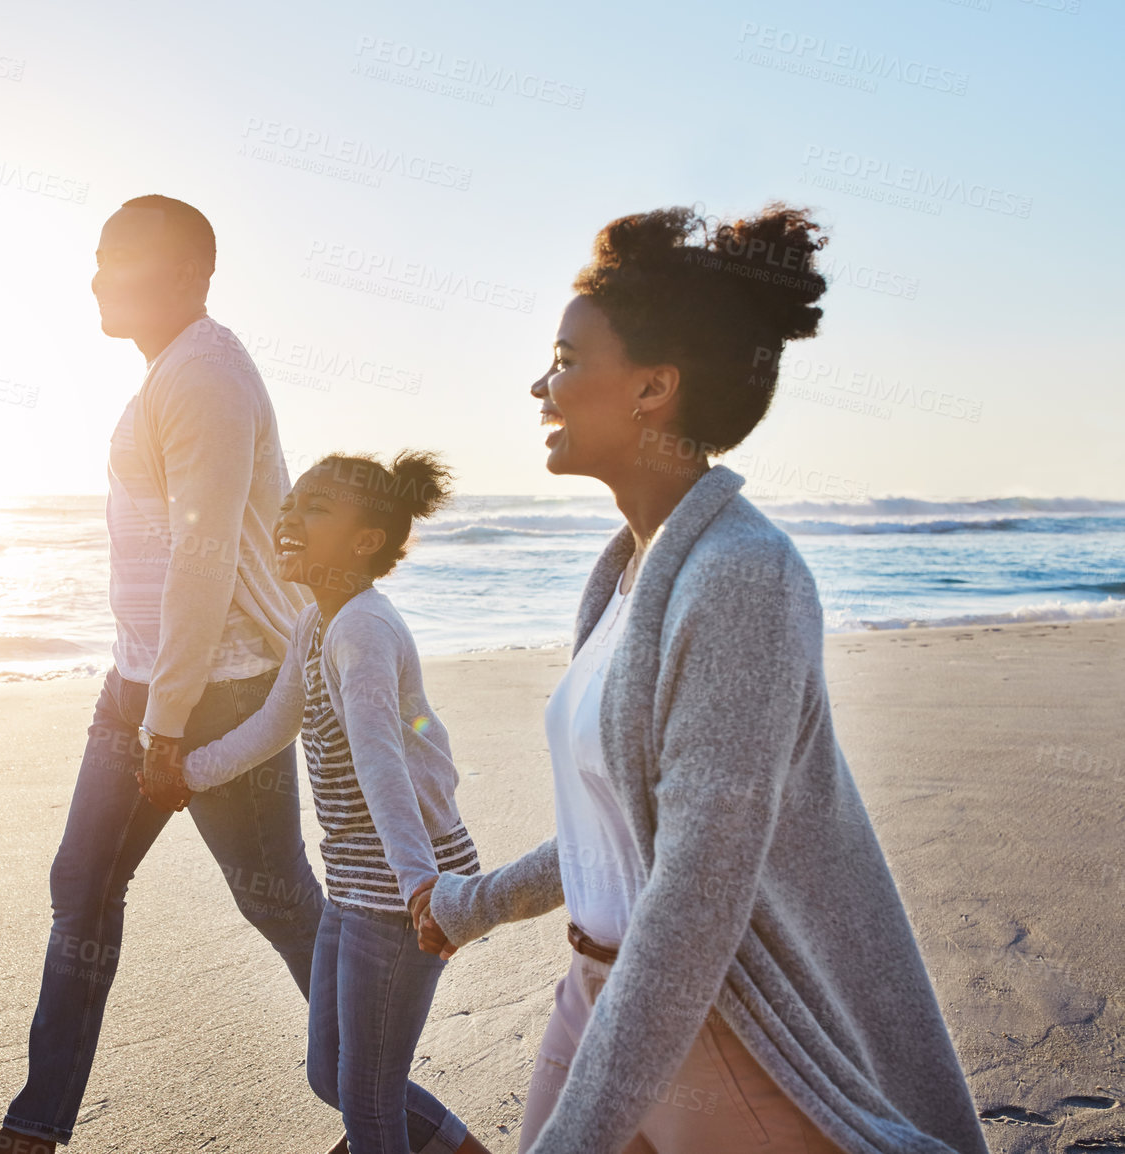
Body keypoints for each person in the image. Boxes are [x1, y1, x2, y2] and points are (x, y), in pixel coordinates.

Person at [413, 205, 989, 1154]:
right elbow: (623, 827)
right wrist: (475, 905)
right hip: (598, 994)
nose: (538, 386)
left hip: (714, 1025)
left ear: (653, 387)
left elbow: (690, 895)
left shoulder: (741, 579)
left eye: (564, 359)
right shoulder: (628, 579)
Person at [0, 195, 325, 1154]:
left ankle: (405, 1121)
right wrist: (147, 698)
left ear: (189, 276)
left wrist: (169, 725)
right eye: (98, 259)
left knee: (275, 902)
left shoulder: (208, 375)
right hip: (144, 683)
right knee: (84, 884)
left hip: (217, 691)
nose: (99, 278)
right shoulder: (169, 375)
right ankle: (33, 1132)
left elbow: (206, 558)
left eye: (122, 260)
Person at [183, 451, 491, 1154]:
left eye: (315, 508)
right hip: (357, 878)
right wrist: (191, 772)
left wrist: (419, 884)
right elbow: (273, 724)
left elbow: (381, 760)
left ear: (365, 542)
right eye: (290, 504)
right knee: (332, 1073)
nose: (289, 517)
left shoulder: (362, 630)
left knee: (367, 1100)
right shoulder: (314, 624)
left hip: (407, 885)